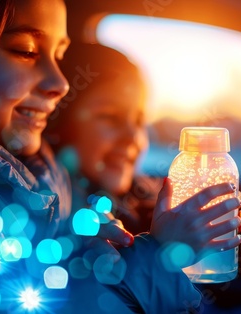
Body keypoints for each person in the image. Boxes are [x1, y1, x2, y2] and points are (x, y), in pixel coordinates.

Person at [0, 1, 241, 313]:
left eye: (59, 57)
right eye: (26, 50)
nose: (61, 83)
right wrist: (157, 255)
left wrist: (81, 251)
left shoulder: (55, 192)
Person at [45, 42, 157, 235]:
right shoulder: (57, 223)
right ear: (60, 124)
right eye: (110, 117)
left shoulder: (146, 201)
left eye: (139, 121)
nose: (132, 137)